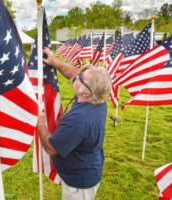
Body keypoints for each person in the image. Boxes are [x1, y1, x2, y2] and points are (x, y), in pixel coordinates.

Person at [36, 47, 112, 200]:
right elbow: (72, 73)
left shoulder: (79, 120)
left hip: (79, 185)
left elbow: (51, 148)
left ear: (85, 92)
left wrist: (40, 121)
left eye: (80, 78)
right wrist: (55, 62)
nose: (76, 76)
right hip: (88, 168)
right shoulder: (97, 98)